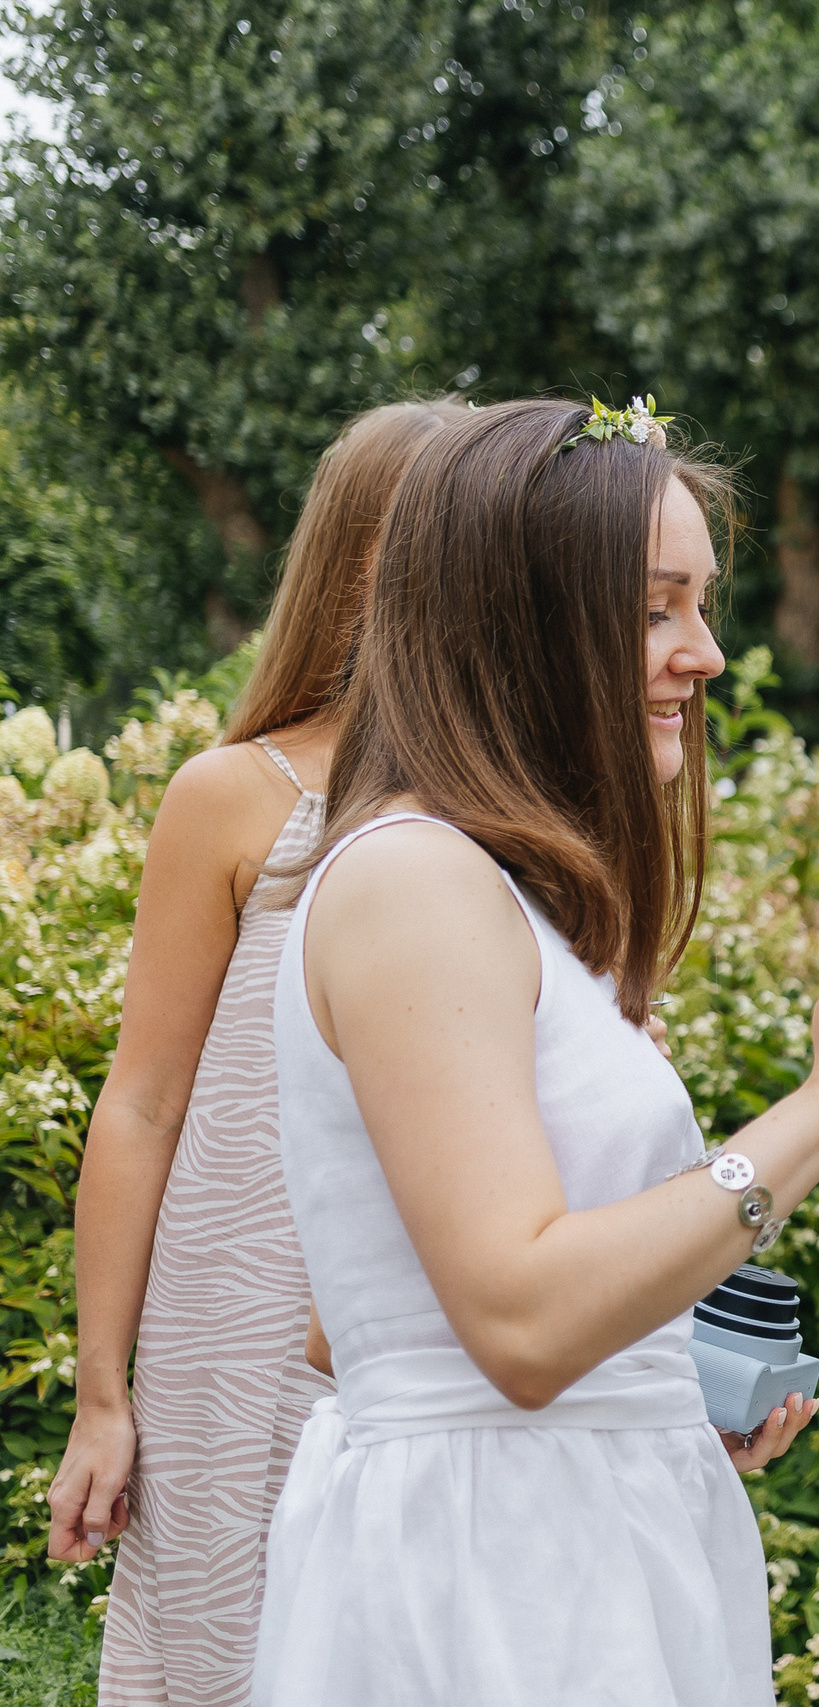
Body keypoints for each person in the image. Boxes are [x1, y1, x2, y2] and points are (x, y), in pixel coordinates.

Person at [249, 396, 819, 1705]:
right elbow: (519, 1325)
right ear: (517, 621)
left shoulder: (500, 901)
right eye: (655, 610)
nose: (707, 653)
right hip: (493, 1573)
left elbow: (360, 1325)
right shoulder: (414, 884)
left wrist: (656, 1388)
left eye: (704, 604)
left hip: (581, 1523)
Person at [47, 398, 465, 1707]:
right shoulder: (237, 794)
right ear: (360, 560)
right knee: (232, 1646)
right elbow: (143, 1104)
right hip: (229, 1325)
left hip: (436, 1317)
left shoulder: (520, 810)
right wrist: (101, 1395)